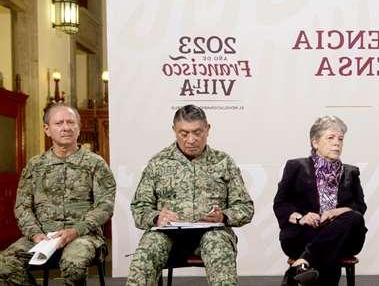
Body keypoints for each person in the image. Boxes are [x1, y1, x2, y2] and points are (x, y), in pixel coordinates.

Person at [126, 105, 253, 286]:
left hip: (213, 234)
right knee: (146, 253)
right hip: (167, 235)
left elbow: (245, 207)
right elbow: (139, 207)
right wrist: (156, 217)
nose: (191, 140)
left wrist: (223, 216)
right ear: (174, 130)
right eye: (184, 133)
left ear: (208, 129)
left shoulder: (224, 162)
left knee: (218, 245)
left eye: (197, 132)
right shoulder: (158, 163)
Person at [0, 104, 116, 286]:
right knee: (4, 265)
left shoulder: (95, 163)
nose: (66, 127)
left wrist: (75, 231)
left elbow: (105, 205)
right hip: (43, 237)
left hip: (83, 236)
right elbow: (22, 206)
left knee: (73, 264)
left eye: (71, 122)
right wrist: (35, 234)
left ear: (78, 127)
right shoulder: (35, 165)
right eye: (59, 123)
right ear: (47, 129)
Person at [273, 115, 367, 286]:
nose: (337, 143)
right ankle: (304, 265)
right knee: (330, 250)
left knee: (354, 217)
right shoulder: (296, 166)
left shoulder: (351, 172)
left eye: (340, 139)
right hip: (304, 234)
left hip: (343, 236)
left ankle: (302, 263)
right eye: (330, 138)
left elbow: (359, 207)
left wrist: (334, 213)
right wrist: (301, 218)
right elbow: (281, 203)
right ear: (315, 142)